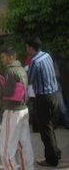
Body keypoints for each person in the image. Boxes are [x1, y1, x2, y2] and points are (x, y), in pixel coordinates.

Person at [26, 37, 61, 167]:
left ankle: (52, 159)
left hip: (43, 98)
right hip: (54, 95)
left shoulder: (34, 61)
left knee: (45, 130)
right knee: (49, 126)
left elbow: (29, 80)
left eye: (27, 47)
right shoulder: (47, 56)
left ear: (30, 47)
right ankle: (55, 152)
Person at [0, 47, 34, 170]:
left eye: (3, 57)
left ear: (10, 57)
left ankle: (10, 167)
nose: (1, 60)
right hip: (23, 108)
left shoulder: (10, 71)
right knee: (24, 143)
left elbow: (7, 92)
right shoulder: (21, 69)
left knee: (6, 145)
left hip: (12, 110)